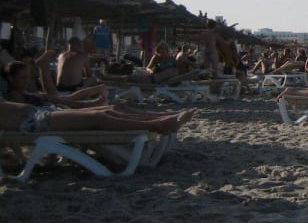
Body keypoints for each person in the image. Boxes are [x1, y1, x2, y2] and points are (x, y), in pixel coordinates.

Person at [0, 98, 196, 135]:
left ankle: (162, 119)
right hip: (33, 123)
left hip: (41, 112)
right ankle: (158, 125)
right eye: (22, 77)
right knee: (97, 117)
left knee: (112, 109)